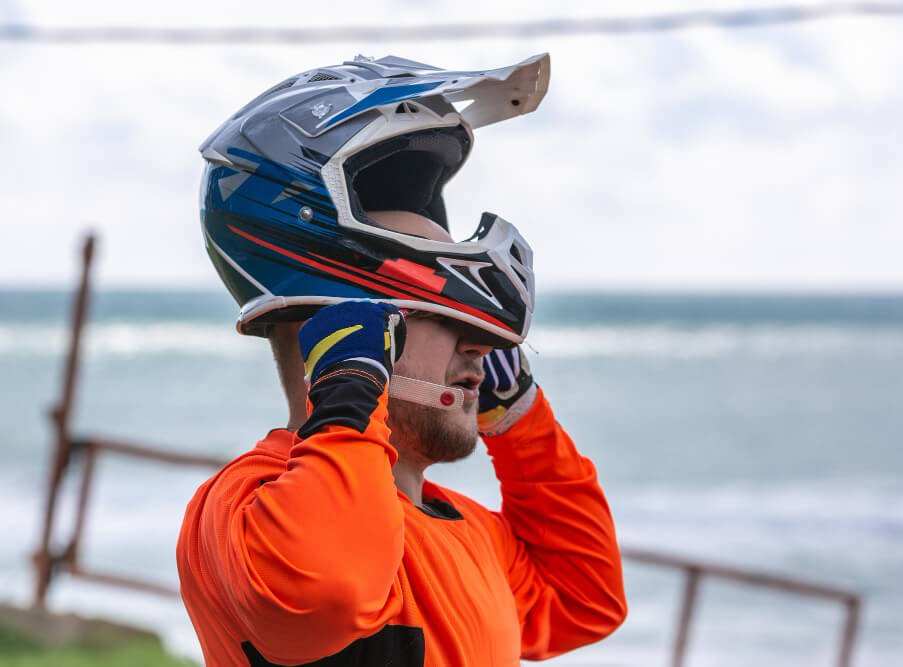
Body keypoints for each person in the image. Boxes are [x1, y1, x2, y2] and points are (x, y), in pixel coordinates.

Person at [177, 55, 626, 666]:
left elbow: (584, 598)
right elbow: (328, 591)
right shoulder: (241, 505)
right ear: (343, 330)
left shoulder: (461, 527)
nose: (485, 346)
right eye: (448, 317)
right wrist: (347, 399)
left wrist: (521, 421)